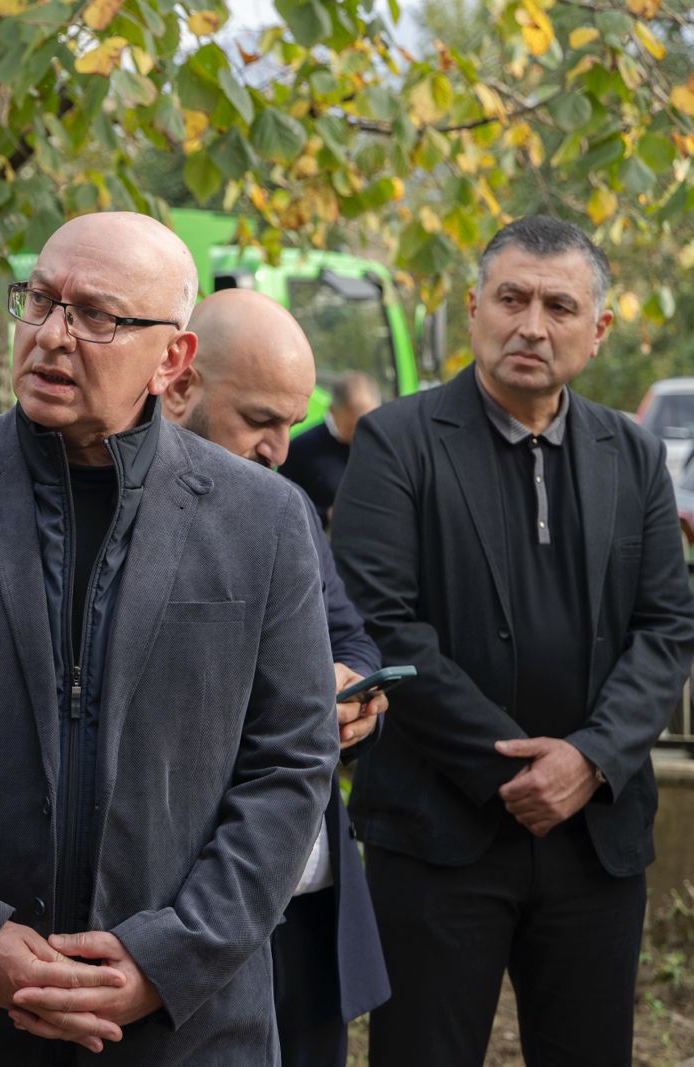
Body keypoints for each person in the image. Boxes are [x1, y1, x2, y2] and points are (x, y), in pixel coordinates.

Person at [0, 212, 337, 1064]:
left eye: (97, 316)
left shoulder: (262, 521)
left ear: (173, 359)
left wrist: (170, 956)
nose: (52, 335)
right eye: (40, 300)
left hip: (179, 1029)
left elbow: (290, 762)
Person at [331, 215, 694, 1067]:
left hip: (594, 835)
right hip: (437, 829)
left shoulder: (634, 454)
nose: (532, 324)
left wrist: (589, 758)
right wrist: (512, 771)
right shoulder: (398, 440)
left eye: (559, 306)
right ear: (473, 309)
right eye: (512, 298)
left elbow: (667, 626)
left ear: (597, 330)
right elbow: (380, 619)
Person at [162, 289, 390, 1067]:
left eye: (292, 424)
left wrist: (357, 690)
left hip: (309, 906)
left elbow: (351, 635)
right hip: (186, 914)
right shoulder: (127, 516)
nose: (280, 449)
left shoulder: (287, 505)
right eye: (260, 419)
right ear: (181, 384)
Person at [280, 371, 380, 527]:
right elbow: (282, 509)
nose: (360, 436)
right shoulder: (300, 449)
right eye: (351, 428)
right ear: (332, 411)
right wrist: (327, 515)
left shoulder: (384, 444)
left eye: (367, 427)